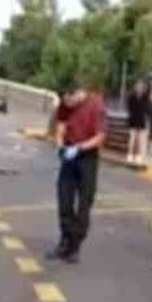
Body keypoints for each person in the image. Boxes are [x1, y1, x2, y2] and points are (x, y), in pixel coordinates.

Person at [47, 80, 107, 264]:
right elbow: (60, 127)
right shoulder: (65, 105)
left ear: (78, 94)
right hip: (69, 155)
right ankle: (65, 240)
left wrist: (80, 148)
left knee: (84, 204)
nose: (68, 106)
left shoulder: (96, 105)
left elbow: (100, 136)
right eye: (65, 103)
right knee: (64, 199)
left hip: (87, 157)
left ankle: (75, 245)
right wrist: (59, 146)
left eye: (70, 102)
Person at [126, 79, 151, 164]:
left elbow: (147, 109)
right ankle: (130, 155)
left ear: (143, 88)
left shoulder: (145, 97)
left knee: (139, 140)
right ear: (135, 87)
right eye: (137, 86)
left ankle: (138, 155)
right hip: (133, 120)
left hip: (141, 120)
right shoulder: (131, 97)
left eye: (141, 87)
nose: (139, 88)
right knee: (132, 139)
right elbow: (129, 108)